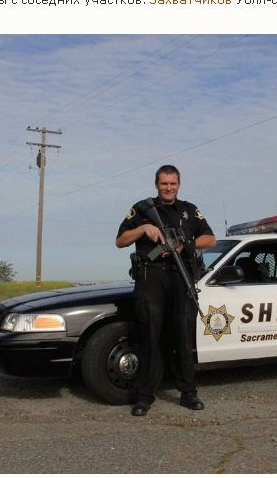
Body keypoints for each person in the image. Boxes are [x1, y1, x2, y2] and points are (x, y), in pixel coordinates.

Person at [116, 165, 216, 416]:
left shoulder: (189, 210)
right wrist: (143, 229)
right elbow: (120, 240)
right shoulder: (142, 209)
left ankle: (188, 393)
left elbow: (210, 239)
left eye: (172, 183)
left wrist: (185, 244)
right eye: (164, 183)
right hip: (151, 278)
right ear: (156, 185)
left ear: (179, 185)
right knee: (149, 338)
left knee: (183, 337)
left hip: (180, 277)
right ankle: (144, 397)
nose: (168, 188)